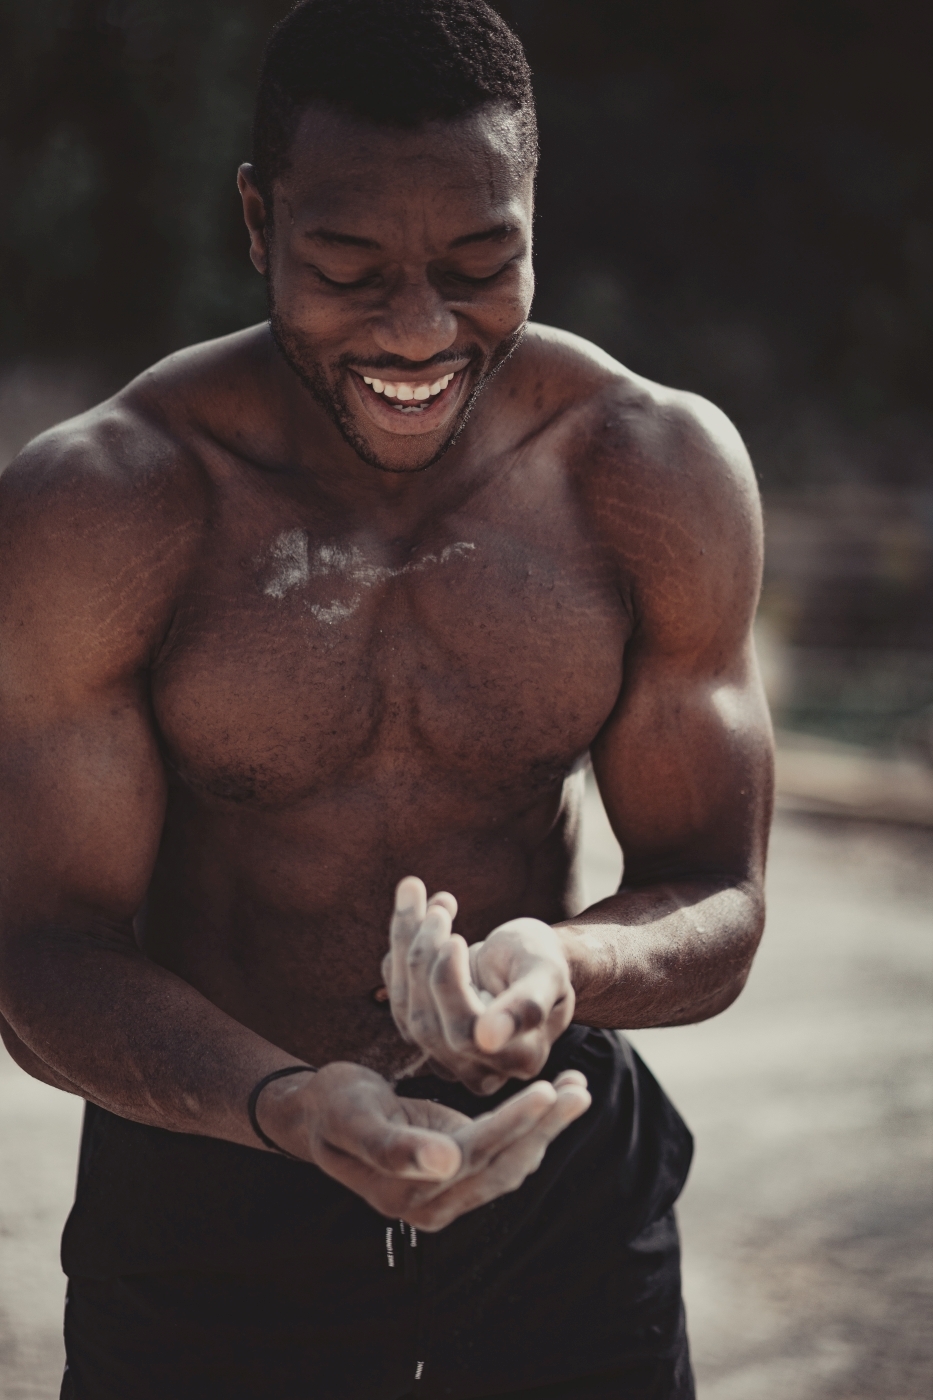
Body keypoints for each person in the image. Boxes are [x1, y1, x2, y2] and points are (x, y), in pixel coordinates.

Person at [0, 2, 773, 1397]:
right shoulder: (103, 505)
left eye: (482, 263)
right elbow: (40, 951)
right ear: (256, 221)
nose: (417, 330)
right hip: (207, 1204)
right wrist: (284, 1104)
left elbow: (716, 890)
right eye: (347, 267)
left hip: (555, 1185)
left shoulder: (651, 472)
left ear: (534, 213)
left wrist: (562, 963)